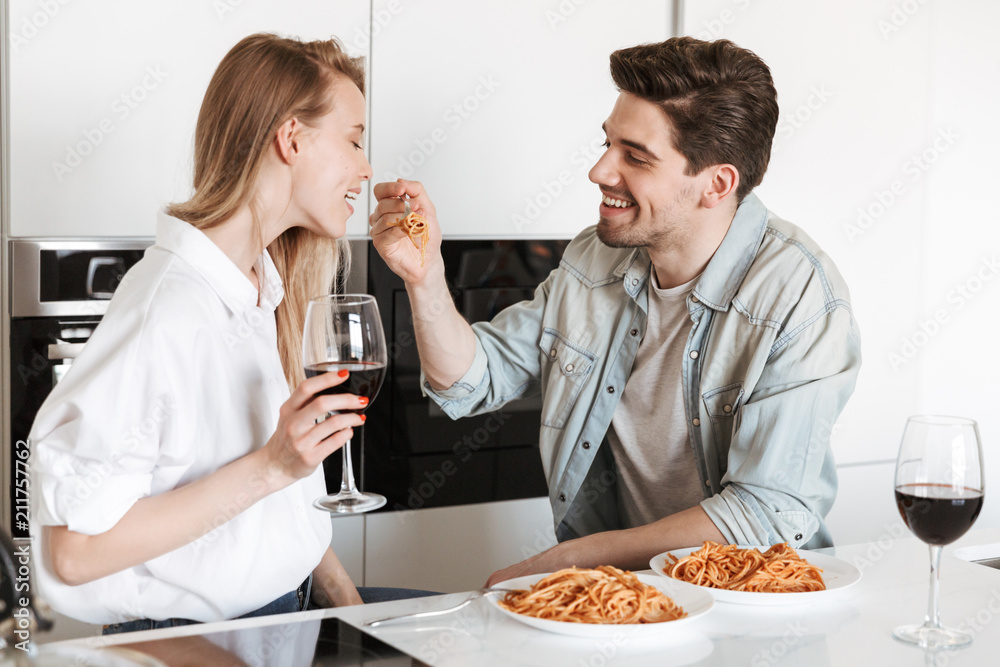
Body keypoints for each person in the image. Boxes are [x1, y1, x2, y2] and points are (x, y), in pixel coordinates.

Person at [368, 37, 862, 585]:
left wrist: (573, 559)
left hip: (753, 601)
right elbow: (471, 381)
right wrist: (425, 276)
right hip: (631, 593)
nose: (600, 171)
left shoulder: (798, 295)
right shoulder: (595, 255)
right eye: (608, 144)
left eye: (635, 155)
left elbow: (765, 513)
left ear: (716, 184)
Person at [29, 33, 425, 634]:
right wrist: (271, 465)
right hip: (197, 642)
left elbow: (282, 510)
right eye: (354, 140)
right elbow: (75, 553)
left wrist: (348, 605)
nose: (367, 169)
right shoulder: (167, 310)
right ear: (291, 139)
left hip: (288, 614)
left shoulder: (255, 286)